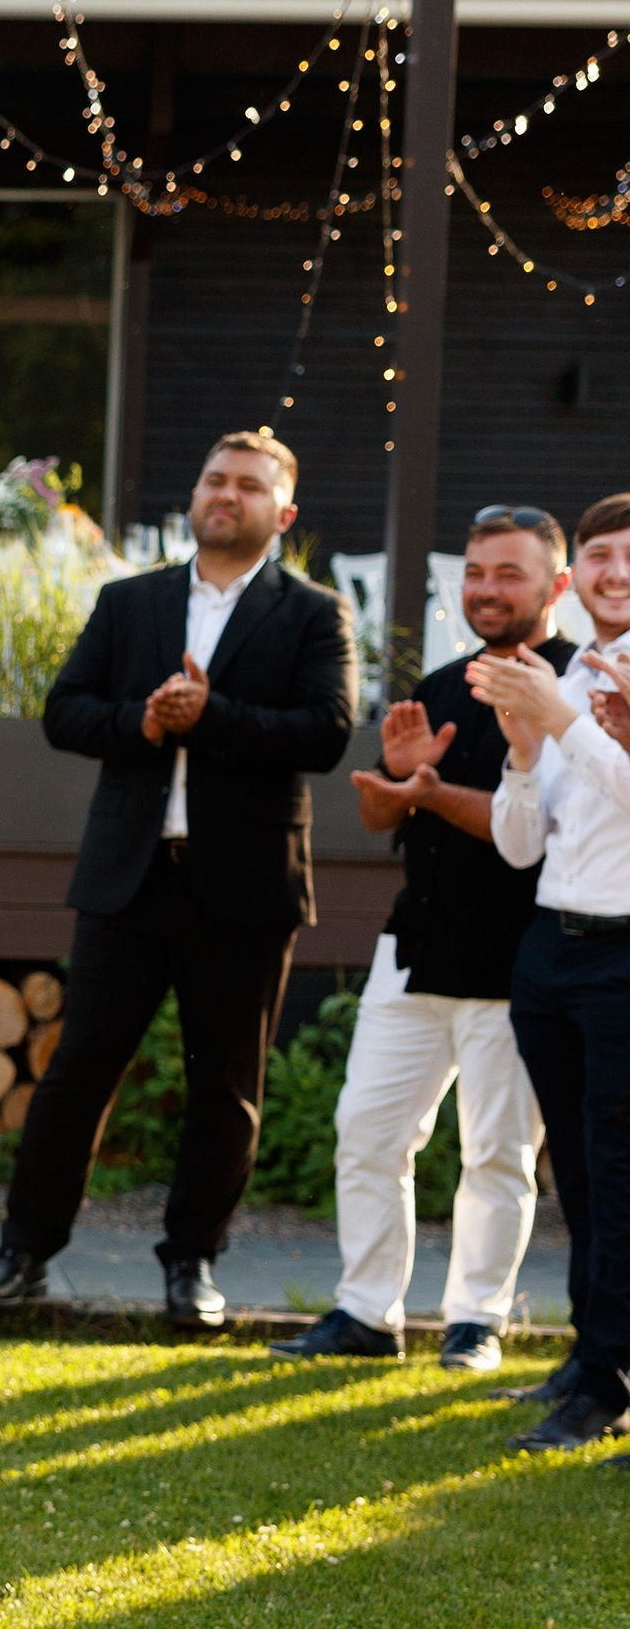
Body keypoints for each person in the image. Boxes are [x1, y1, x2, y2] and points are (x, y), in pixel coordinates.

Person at [0, 428, 359, 1328]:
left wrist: (211, 716)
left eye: (249, 485)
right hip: (129, 879)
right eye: (215, 479)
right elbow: (65, 713)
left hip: (247, 886)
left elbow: (327, 732)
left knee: (225, 1088)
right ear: (195, 495)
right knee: (77, 1072)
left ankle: (193, 1265)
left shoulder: (313, 613)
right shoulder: (130, 601)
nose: (226, 494)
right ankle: (23, 1251)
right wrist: (142, 725)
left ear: (283, 513)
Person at [272, 509, 572, 1371]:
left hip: (516, 959)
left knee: (498, 1154)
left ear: (555, 586)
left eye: (508, 573)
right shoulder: (441, 685)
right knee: (367, 1131)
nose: (486, 589)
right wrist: (398, 783)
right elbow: (382, 812)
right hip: (413, 950)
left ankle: (476, 1322)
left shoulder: (572, 692)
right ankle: (367, 1312)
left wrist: (429, 792)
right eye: (475, 572)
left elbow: (533, 831)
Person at [472, 492, 630, 1450]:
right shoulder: (565, 674)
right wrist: (525, 755)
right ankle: (586, 1353)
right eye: (602, 554)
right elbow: (519, 845)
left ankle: (610, 1380)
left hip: (624, 955)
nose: (616, 573)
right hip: (550, 949)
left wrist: (562, 722)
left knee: (617, 1172)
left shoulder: (573, 690)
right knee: (574, 1167)